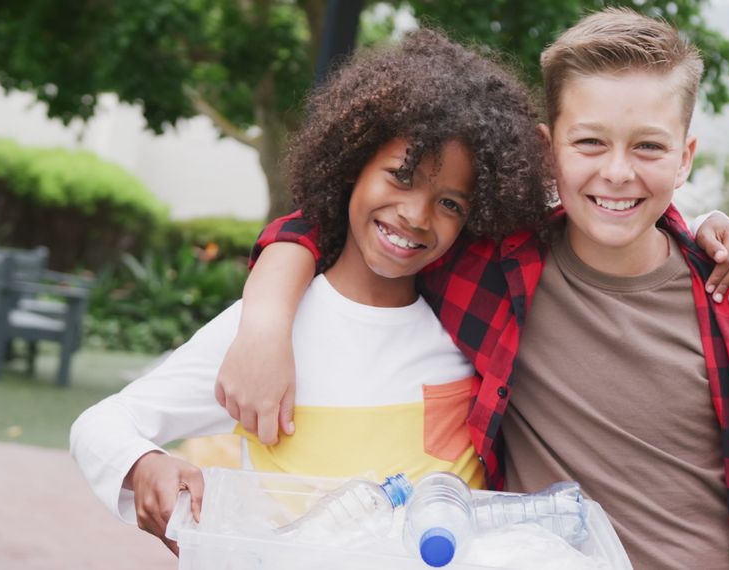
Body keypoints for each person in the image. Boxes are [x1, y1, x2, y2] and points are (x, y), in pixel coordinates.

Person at [221, 9, 729, 570]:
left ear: (685, 157)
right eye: (590, 142)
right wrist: (265, 326)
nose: (617, 171)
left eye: (648, 146)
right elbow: (335, 222)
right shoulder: (492, 265)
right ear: (547, 150)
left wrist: (705, 224)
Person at [69, 29, 556, 555]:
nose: (416, 216)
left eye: (451, 204)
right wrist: (146, 465)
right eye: (399, 177)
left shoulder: (469, 341)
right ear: (351, 167)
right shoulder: (264, 332)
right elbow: (101, 424)